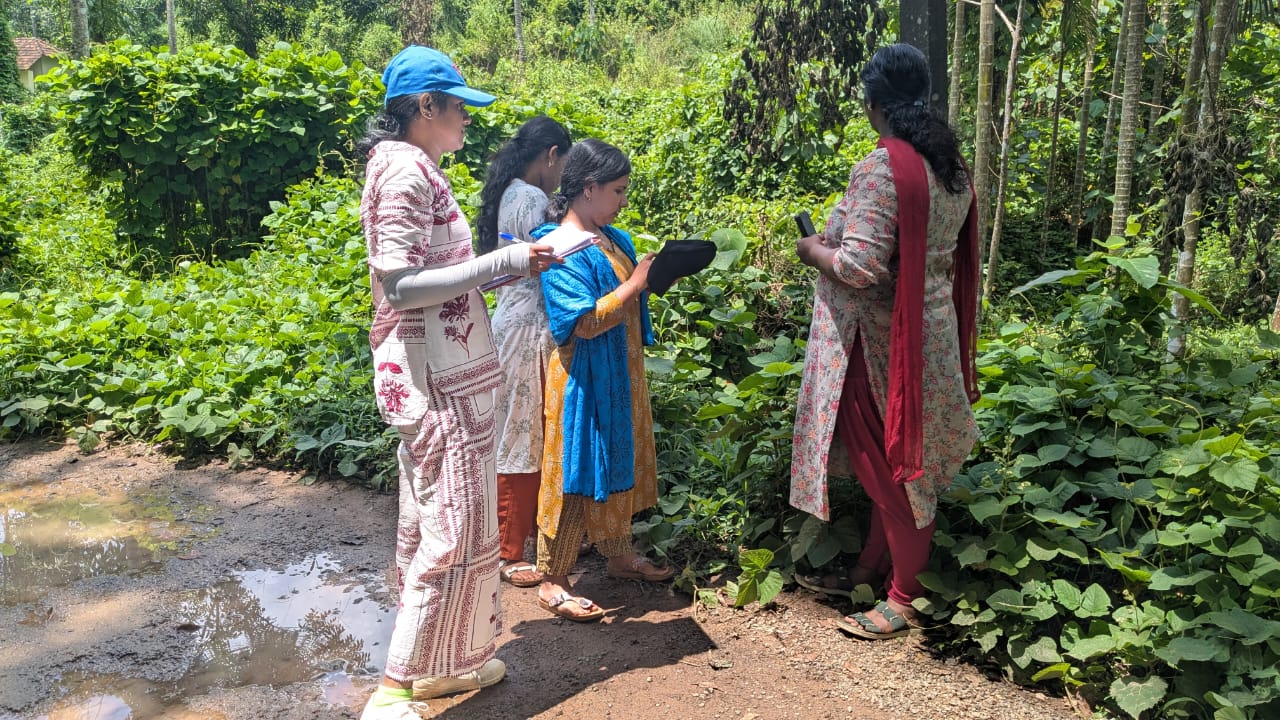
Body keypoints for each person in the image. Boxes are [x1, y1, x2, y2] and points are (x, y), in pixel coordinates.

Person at [355, 46, 561, 719]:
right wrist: (502, 261)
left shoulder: (415, 167)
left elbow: (443, 281)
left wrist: (512, 266)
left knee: (460, 525)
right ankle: (393, 689)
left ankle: (448, 665)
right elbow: (400, 286)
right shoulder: (404, 173)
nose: (467, 119)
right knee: (447, 530)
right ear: (425, 106)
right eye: (459, 107)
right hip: (434, 381)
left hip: (452, 373)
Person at [789, 43, 981, 640]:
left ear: (873, 103)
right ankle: (871, 570)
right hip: (929, 329)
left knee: (892, 463)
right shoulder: (949, 165)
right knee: (890, 462)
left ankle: (906, 597)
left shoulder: (881, 168)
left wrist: (813, 250)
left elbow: (861, 267)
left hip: (879, 342)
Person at [534, 138, 675, 623]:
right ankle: (553, 578)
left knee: (616, 461)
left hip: (620, 373)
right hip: (582, 382)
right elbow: (582, 322)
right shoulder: (557, 247)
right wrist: (635, 284)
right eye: (618, 190)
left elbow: (626, 299)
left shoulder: (613, 239)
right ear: (588, 188)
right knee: (574, 471)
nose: (623, 201)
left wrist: (654, 277)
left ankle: (618, 555)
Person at [476, 116, 573, 589]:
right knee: (521, 435)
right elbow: (552, 256)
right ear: (552, 155)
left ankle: (515, 541)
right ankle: (508, 552)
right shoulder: (531, 198)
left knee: (519, 431)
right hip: (526, 330)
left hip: (513, 324)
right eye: (563, 164)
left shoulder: (510, 193)